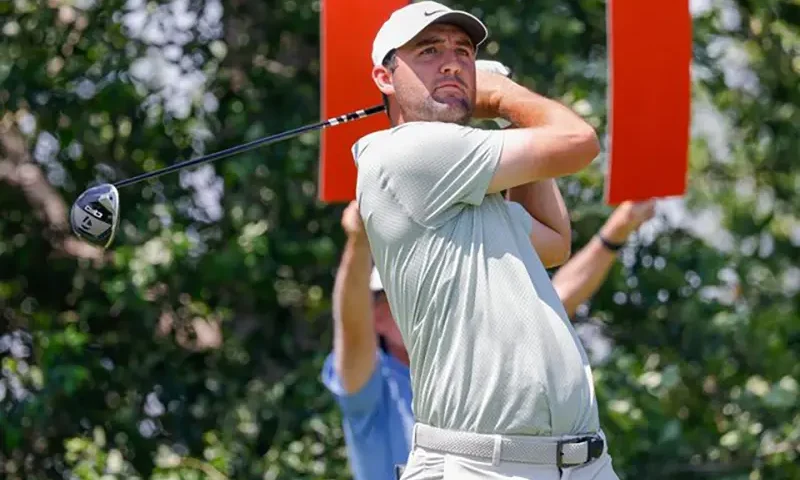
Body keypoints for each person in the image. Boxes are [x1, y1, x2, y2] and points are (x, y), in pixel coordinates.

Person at [346, 1, 632, 478]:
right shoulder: (406, 153)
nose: (453, 62)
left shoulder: (470, 191)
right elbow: (578, 140)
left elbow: (554, 242)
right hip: (479, 466)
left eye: (463, 51)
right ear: (384, 77)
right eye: (429, 51)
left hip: (583, 463)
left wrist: (508, 117)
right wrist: (503, 96)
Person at [321, 198, 655, 480]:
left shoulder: (462, 359)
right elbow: (351, 329)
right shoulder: (372, 384)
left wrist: (616, 231)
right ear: (377, 315)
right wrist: (360, 241)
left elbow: (551, 302)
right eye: (400, 295)